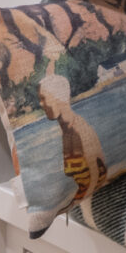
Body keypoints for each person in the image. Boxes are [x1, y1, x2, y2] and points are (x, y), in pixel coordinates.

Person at [36, 72, 108, 201]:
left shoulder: (78, 130)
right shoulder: (67, 130)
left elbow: (95, 175)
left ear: (57, 98)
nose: (41, 104)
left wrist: (70, 204)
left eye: (43, 98)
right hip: (84, 191)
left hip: (92, 193)